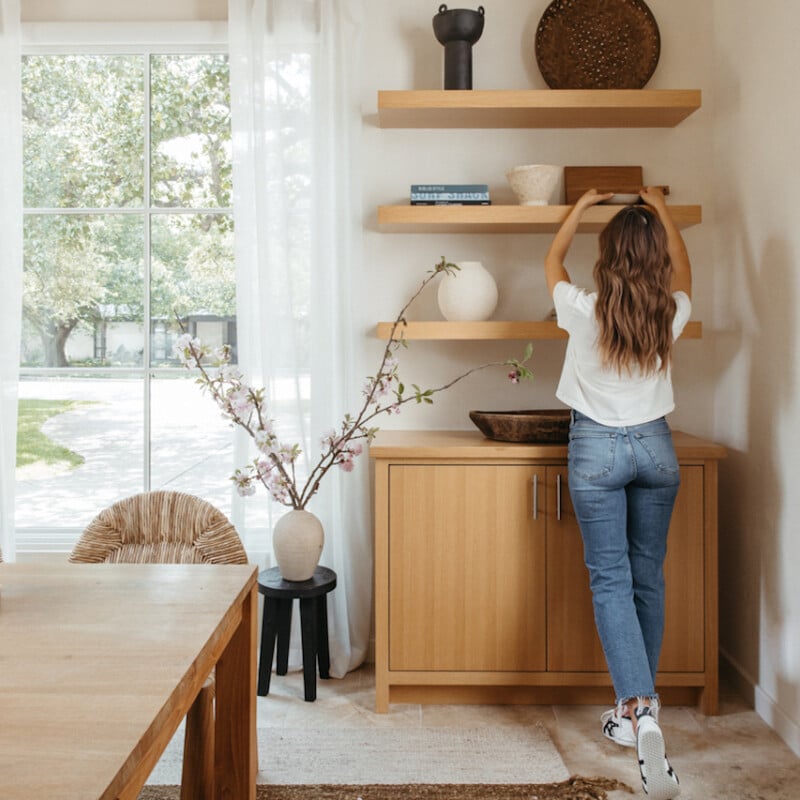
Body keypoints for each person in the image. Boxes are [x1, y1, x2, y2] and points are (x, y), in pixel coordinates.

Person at [544, 186, 692, 800]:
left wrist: (579, 207)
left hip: (598, 450)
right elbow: (685, 271)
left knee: (609, 579)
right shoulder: (669, 310)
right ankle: (641, 713)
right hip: (656, 449)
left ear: (607, 256)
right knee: (645, 578)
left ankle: (637, 711)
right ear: (654, 254)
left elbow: (552, 262)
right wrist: (659, 206)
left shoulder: (585, 305)